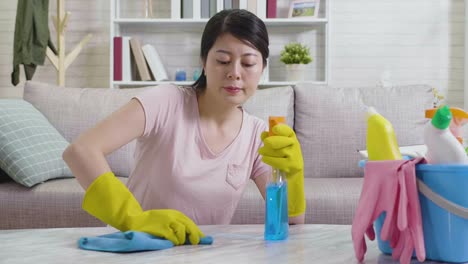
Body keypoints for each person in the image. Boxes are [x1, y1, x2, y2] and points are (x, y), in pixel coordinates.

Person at [63, 9, 305, 246]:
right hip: (135, 249)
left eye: (248, 63)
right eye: (223, 60)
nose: (234, 73)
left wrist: (293, 175)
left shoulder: (257, 135)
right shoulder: (167, 101)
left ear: (262, 68)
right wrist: (133, 219)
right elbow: (81, 150)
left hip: (199, 254)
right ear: (203, 61)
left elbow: (292, 224)